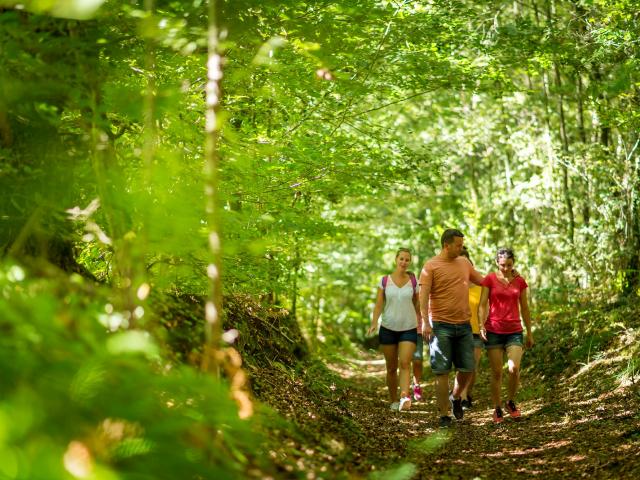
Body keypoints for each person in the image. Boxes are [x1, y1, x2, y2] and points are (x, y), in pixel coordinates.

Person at [419, 229, 485, 428]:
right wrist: (425, 322)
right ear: (446, 245)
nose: (461, 248)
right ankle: (444, 416)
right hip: (441, 327)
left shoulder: (464, 263)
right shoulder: (431, 266)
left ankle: (455, 396)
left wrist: (506, 277)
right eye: (458, 245)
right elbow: (423, 298)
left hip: (464, 326)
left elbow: (484, 281)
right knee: (442, 372)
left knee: (467, 368)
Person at [479, 247, 534, 424]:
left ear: (513, 264)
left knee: (514, 369)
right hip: (494, 330)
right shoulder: (489, 279)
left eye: (509, 265)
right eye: (502, 265)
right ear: (497, 263)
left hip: (514, 331)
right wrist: (481, 325)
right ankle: (497, 408)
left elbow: (525, 308)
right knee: (496, 373)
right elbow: (482, 304)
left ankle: (510, 401)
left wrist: (529, 332)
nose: (506, 268)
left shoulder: (520, 281)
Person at [368, 248, 421, 412]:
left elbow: (418, 303)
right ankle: (393, 400)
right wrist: (374, 322)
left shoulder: (414, 281)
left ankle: (405, 397)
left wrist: (423, 322)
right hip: (388, 328)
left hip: (409, 327)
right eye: (402, 259)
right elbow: (378, 304)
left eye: (407, 260)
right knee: (391, 368)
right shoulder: (384, 281)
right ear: (396, 260)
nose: (404, 262)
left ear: (410, 262)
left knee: (405, 363)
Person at [453, 246, 483, 409]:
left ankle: (466, 394)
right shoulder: (454, 285)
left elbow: (486, 309)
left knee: (472, 367)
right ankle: (461, 396)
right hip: (458, 330)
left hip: (477, 332)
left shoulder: (481, 286)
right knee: (461, 366)